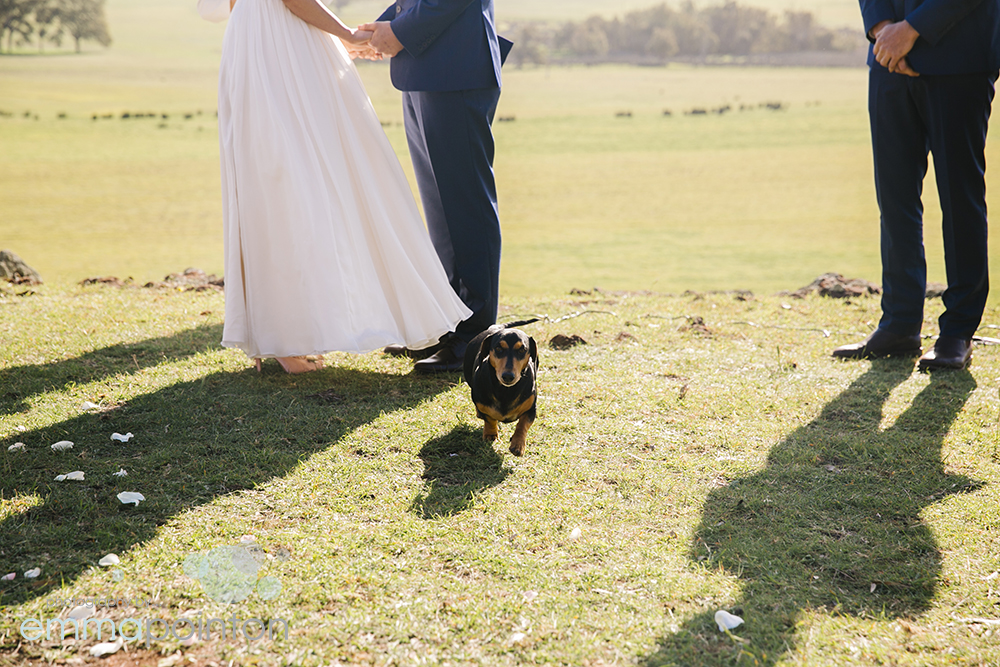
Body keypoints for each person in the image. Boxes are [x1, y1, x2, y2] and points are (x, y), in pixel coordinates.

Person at [199, 0, 472, 374]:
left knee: (275, 174)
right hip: (283, 43)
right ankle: (284, 336)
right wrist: (342, 34)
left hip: (261, 38)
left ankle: (280, 331)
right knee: (295, 178)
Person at [834, 1, 1000, 370]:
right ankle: (899, 323)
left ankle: (958, 332)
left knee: (960, 198)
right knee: (894, 196)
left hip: (961, 56)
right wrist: (882, 31)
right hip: (886, 59)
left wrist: (911, 29)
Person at [355, 0, 512, 373]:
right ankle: (447, 323)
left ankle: (474, 336)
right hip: (426, 67)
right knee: (441, 207)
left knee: (466, 201)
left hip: (456, 66)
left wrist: (399, 32)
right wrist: (384, 28)